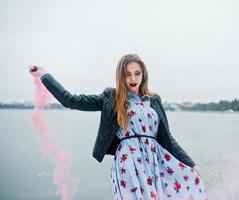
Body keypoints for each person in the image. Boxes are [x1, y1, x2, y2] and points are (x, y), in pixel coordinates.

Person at [29, 53, 208, 200]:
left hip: (155, 163)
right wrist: (44, 75)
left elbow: (168, 137)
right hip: (128, 163)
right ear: (120, 76)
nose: (132, 78)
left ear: (143, 74)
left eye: (137, 73)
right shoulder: (111, 98)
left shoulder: (153, 100)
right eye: (127, 74)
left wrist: (190, 163)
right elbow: (71, 100)